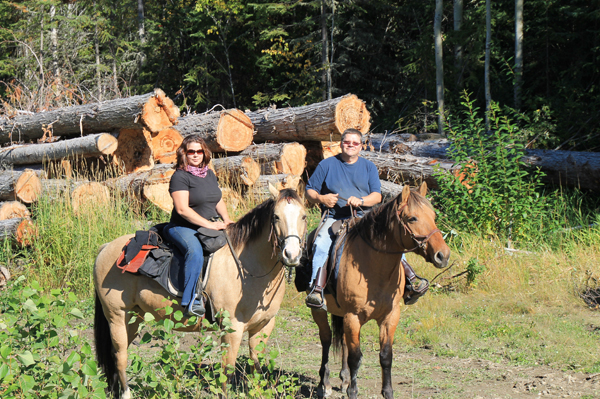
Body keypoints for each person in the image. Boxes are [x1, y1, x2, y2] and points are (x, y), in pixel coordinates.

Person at [304, 128, 428, 308]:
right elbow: (309, 191)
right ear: (341, 144)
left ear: (361, 146)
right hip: (335, 217)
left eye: (355, 143)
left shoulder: (368, 167)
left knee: (392, 240)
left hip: (366, 217)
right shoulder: (327, 165)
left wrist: (361, 200)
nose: (351, 146)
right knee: (321, 242)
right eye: (347, 142)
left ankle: (410, 281)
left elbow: (376, 196)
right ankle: (316, 289)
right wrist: (321, 198)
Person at [163, 135, 233, 317]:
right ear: (184, 154)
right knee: (194, 251)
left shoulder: (209, 174)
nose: (195, 155)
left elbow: (217, 200)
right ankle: (191, 299)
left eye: (199, 151)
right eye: (191, 151)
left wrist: (226, 220)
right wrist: (210, 225)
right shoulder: (180, 177)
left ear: (205, 153)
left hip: (207, 225)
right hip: (182, 227)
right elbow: (182, 209)